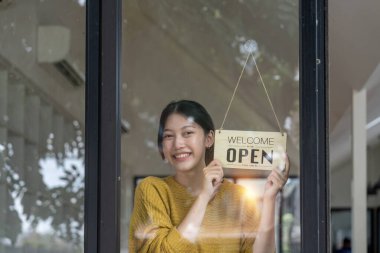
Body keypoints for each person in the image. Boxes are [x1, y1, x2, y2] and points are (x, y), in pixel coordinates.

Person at [129, 100, 290, 252]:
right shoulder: (152, 190)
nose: (178, 144)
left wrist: (270, 198)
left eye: (187, 133)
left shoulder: (238, 197)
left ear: (209, 139)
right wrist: (203, 197)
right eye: (169, 136)